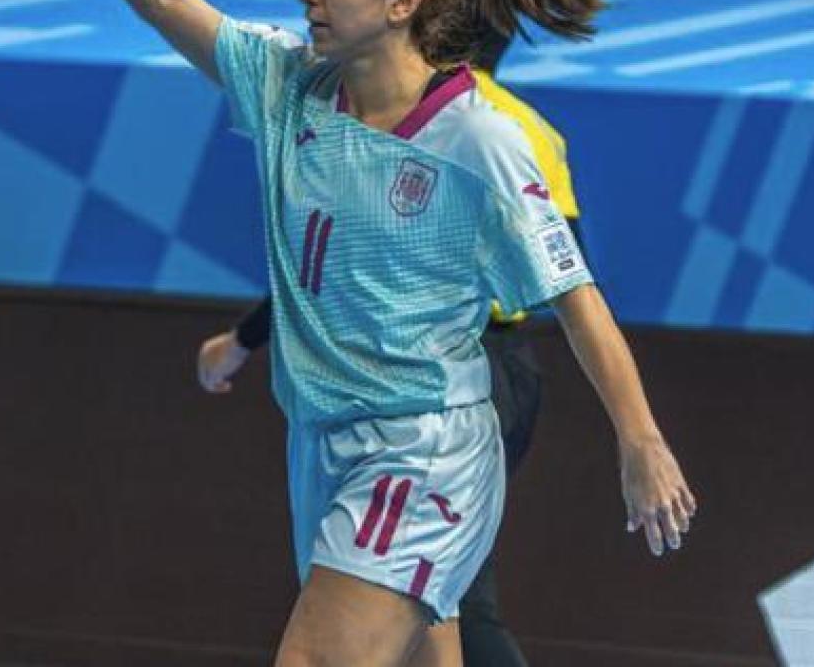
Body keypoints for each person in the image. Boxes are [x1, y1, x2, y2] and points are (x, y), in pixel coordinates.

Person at [26, 0, 695, 666]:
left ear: (403, 0)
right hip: (322, 438)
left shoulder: (480, 140)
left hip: (423, 451)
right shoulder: (286, 84)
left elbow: (576, 298)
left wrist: (640, 441)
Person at [199, 48, 581, 666]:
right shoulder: (524, 124)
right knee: (434, 608)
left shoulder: (479, 129)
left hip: (448, 377)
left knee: (451, 593)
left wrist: (640, 439)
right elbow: (339, 272)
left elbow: (565, 280)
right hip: (469, 371)